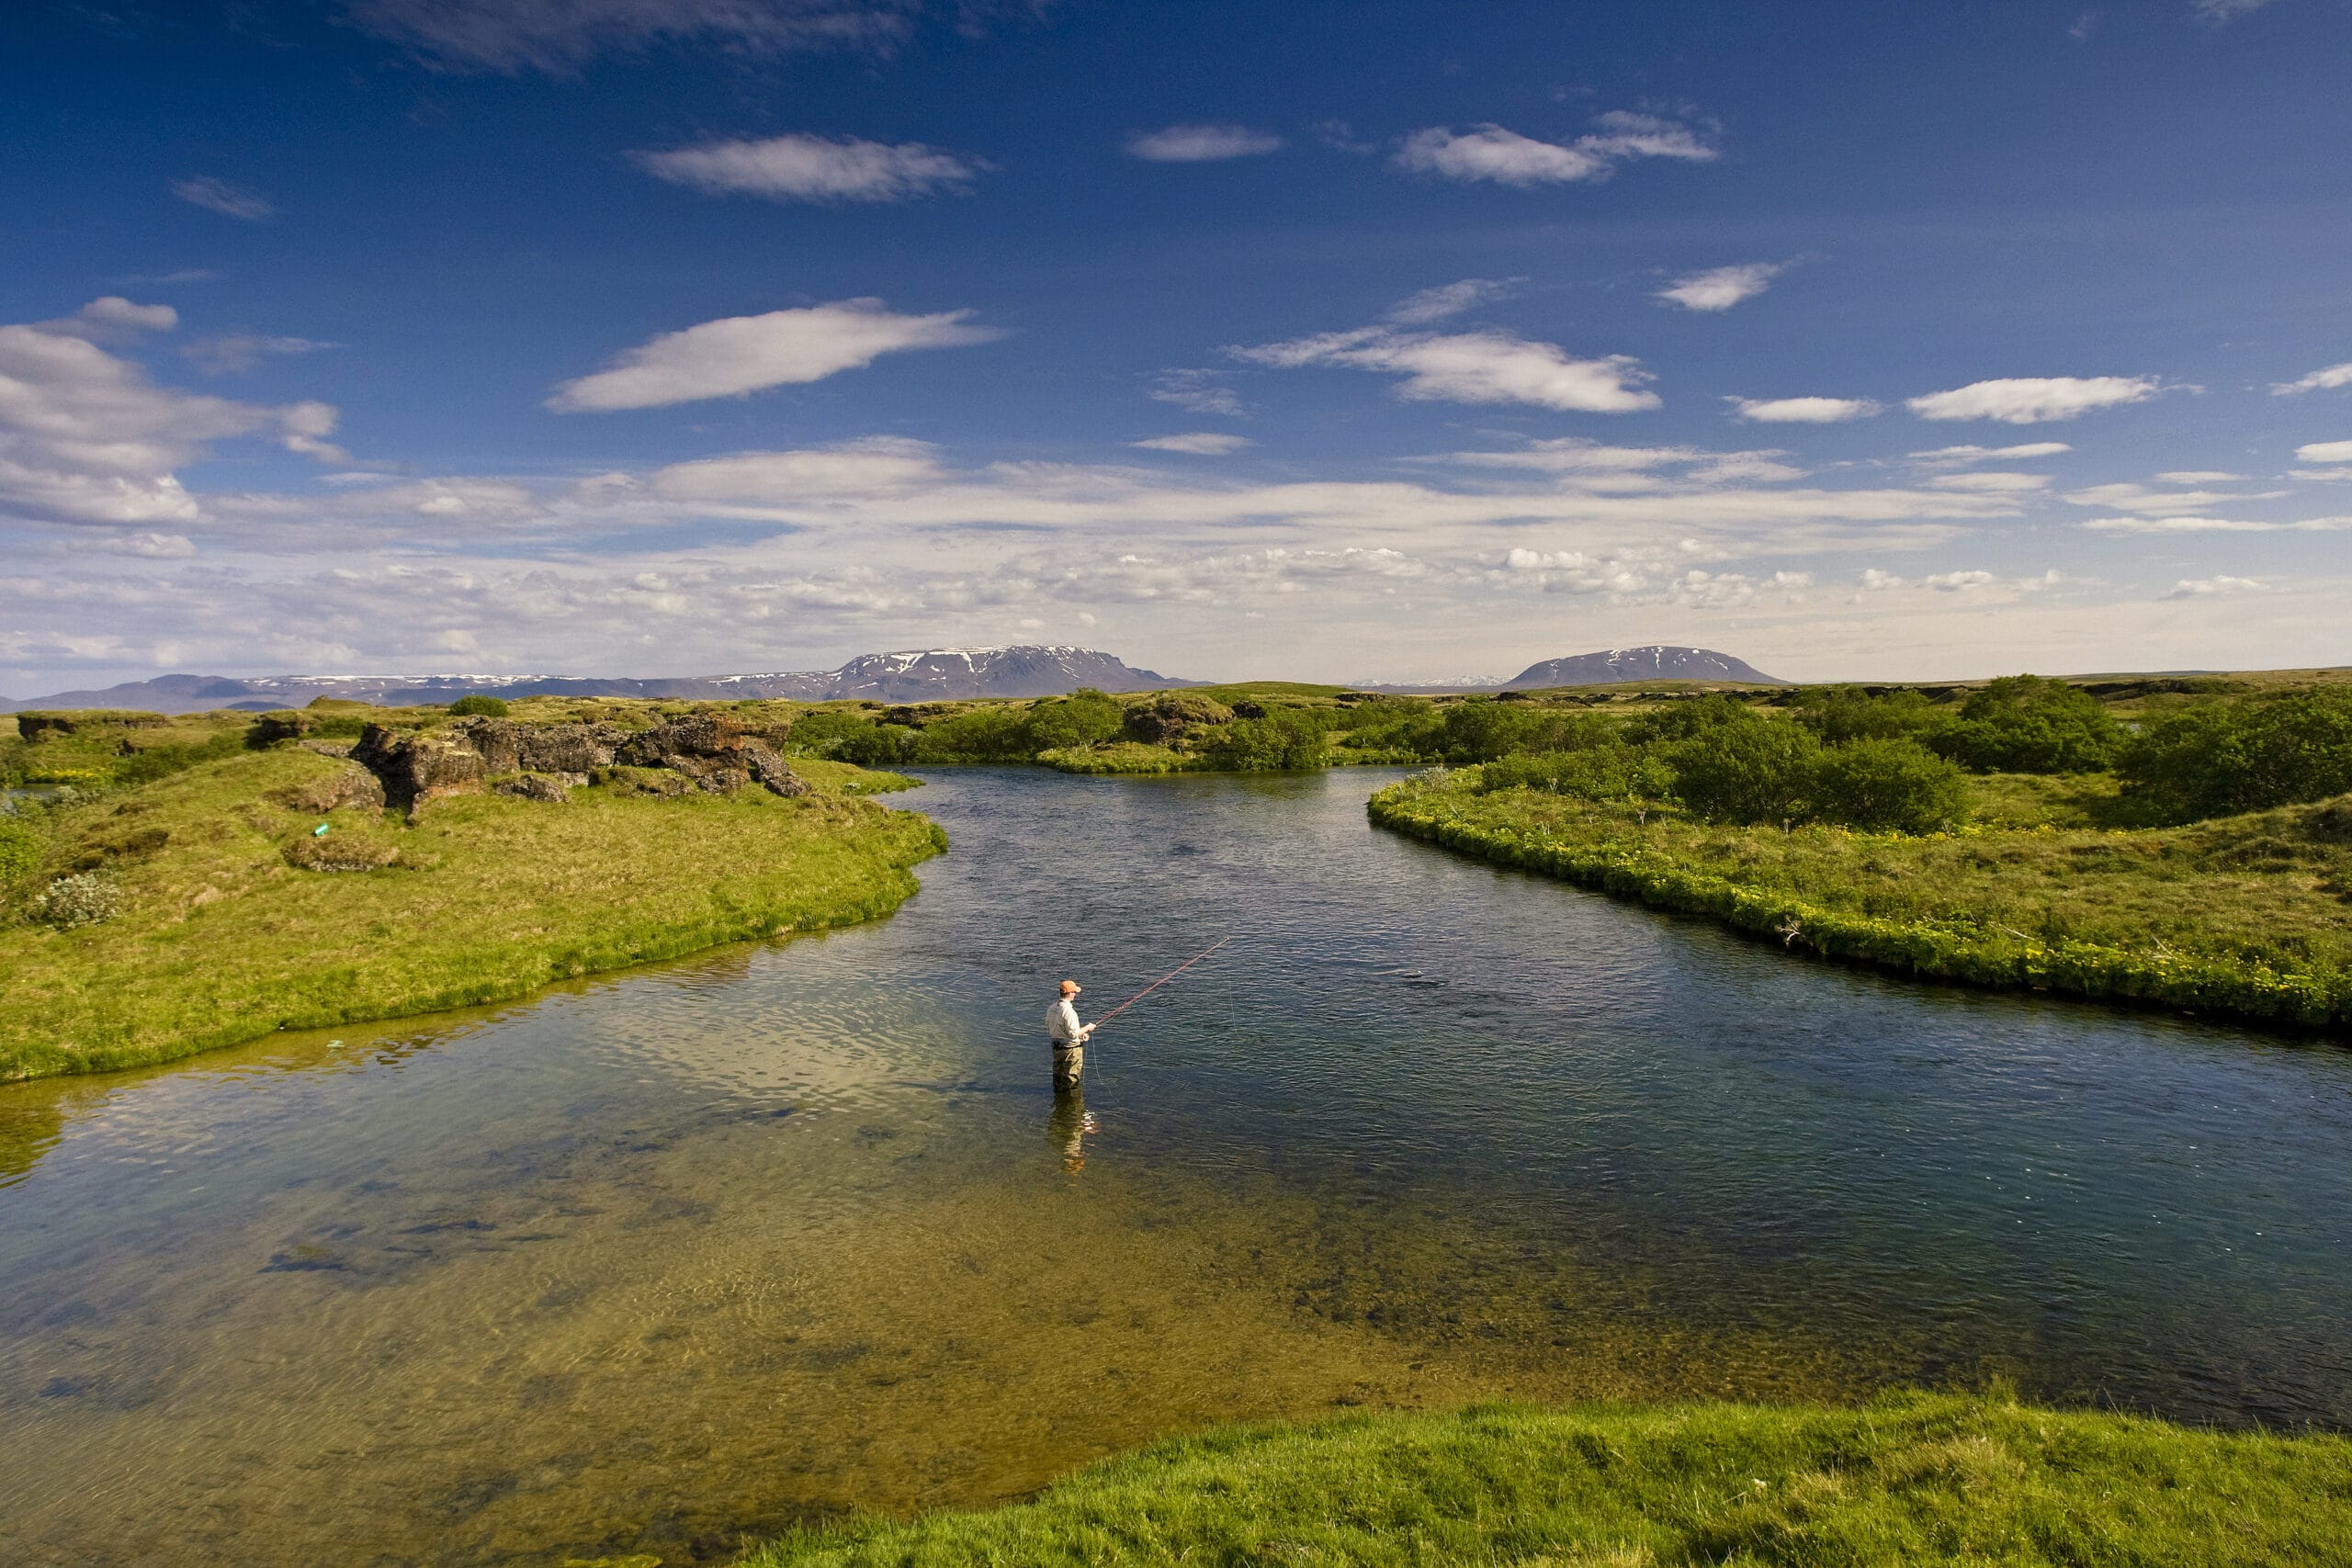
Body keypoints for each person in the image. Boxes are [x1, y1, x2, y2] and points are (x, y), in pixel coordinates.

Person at [1046, 978, 1093, 1090]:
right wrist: (1088, 1028)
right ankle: (1072, 1103)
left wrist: (1081, 1034)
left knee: (1058, 1078)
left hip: (1057, 1049)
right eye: (1075, 992)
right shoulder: (1069, 1011)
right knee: (1071, 1079)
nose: (1075, 995)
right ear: (1070, 993)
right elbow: (1073, 1034)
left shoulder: (1052, 1008)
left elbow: (1050, 1027)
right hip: (1071, 1051)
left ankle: (1059, 1101)